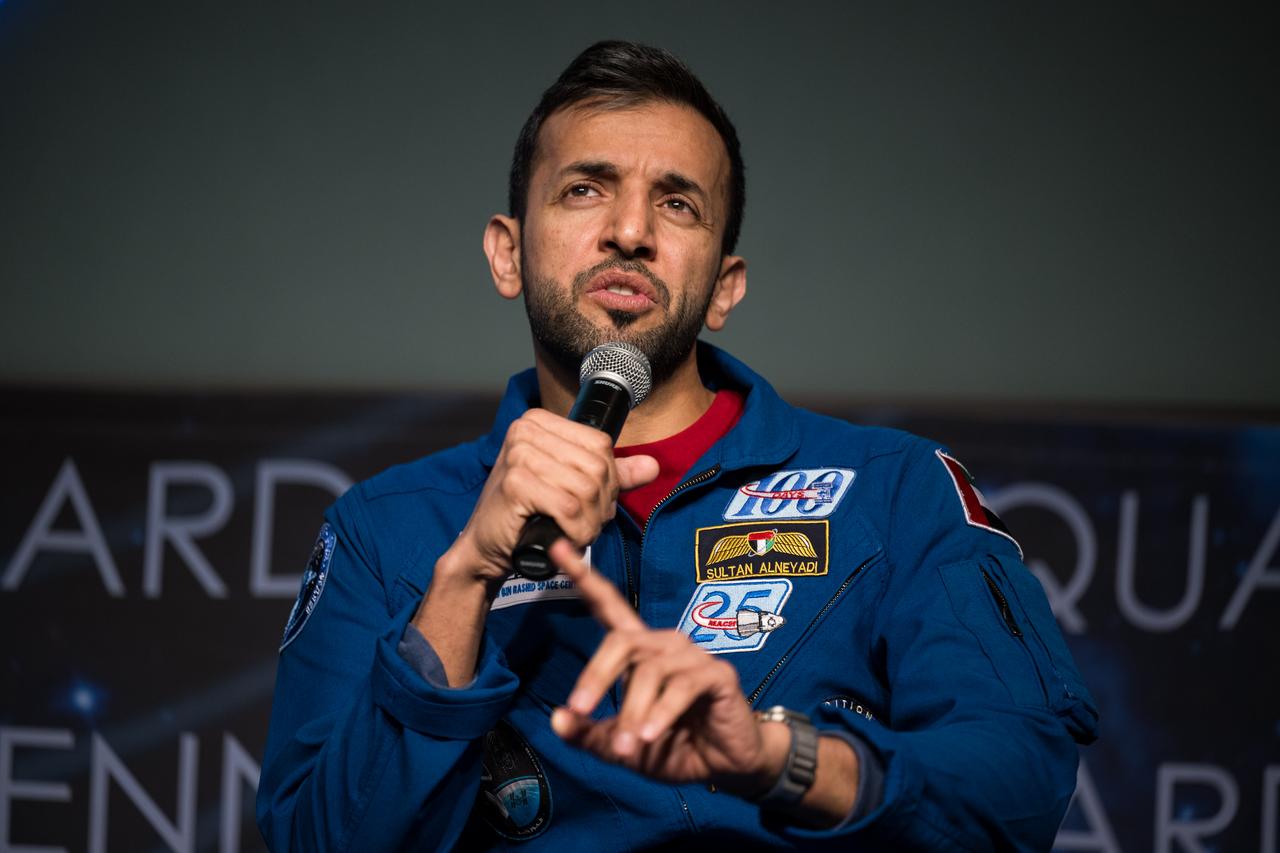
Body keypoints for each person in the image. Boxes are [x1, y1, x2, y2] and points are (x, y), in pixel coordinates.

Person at [257, 41, 1098, 851]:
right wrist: (469, 574)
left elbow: (1019, 782)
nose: (630, 230)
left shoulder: (893, 489)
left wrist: (781, 758)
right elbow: (317, 839)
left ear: (724, 288)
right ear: (508, 253)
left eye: (677, 203)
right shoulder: (383, 531)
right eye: (586, 189)